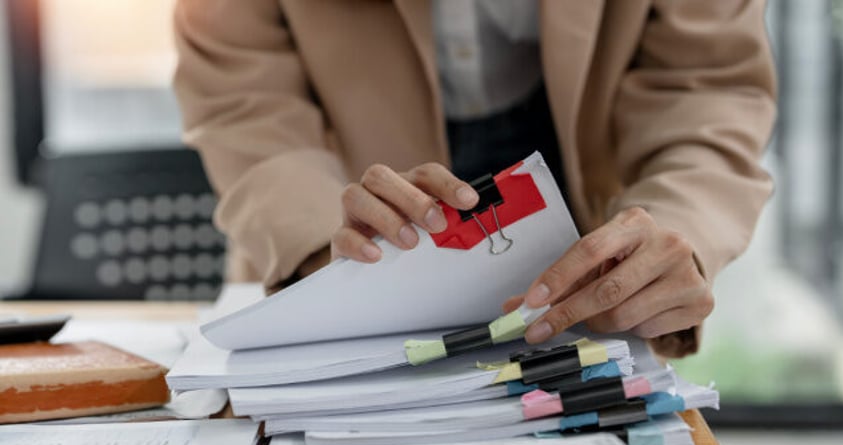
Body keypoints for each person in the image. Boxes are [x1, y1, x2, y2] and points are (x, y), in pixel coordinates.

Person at [173, 0, 776, 357]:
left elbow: (707, 85)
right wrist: (326, 250)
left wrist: (675, 229)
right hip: (345, 204)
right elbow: (243, 105)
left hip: (591, 203)